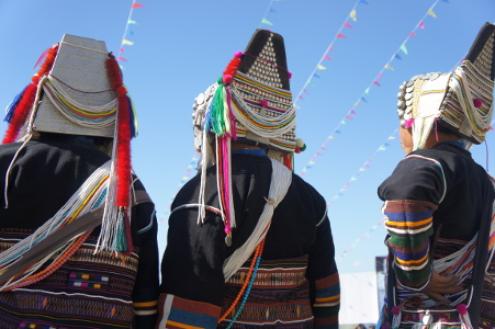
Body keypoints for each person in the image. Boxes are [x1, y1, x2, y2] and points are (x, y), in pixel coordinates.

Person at [157, 30, 340, 329]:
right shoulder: (310, 199)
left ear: (216, 127)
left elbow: (188, 290)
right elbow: (326, 291)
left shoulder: (202, 195)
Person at [0, 35, 158, 328]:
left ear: (37, 100)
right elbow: (145, 299)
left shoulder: (5, 167)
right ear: (115, 114)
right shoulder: (130, 190)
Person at [377, 23, 495, 328]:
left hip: (427, 319)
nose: (401, 137)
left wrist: (418, 276)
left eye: (403, 126)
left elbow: (405, 196)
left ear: (422, 122)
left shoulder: (426, 164)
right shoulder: (486, 182)